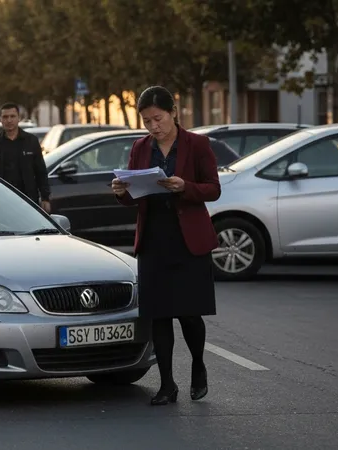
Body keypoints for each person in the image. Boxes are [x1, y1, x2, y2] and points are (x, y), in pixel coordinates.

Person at [111, 86, 220, 406]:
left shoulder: (197, 144)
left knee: (188, 314)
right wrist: (121, 191)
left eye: (157, 118)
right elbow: (132, 195)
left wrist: (185, 186)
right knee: (159, 315)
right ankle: (167, 384)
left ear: (174, 112)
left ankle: (198, 367)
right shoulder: (140, 147)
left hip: (188, 239)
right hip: (154, 238)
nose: (153, 126)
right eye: (146, 121)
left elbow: (213, 189)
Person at [0, 103, 51, 212]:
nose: (9, 120)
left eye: (12, 116)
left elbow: (40, 172)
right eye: (5, 117)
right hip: (2, 201)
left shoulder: (31, 141)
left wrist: (45, 197)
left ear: (19, 118)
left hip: (28, 200)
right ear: (0, 119)